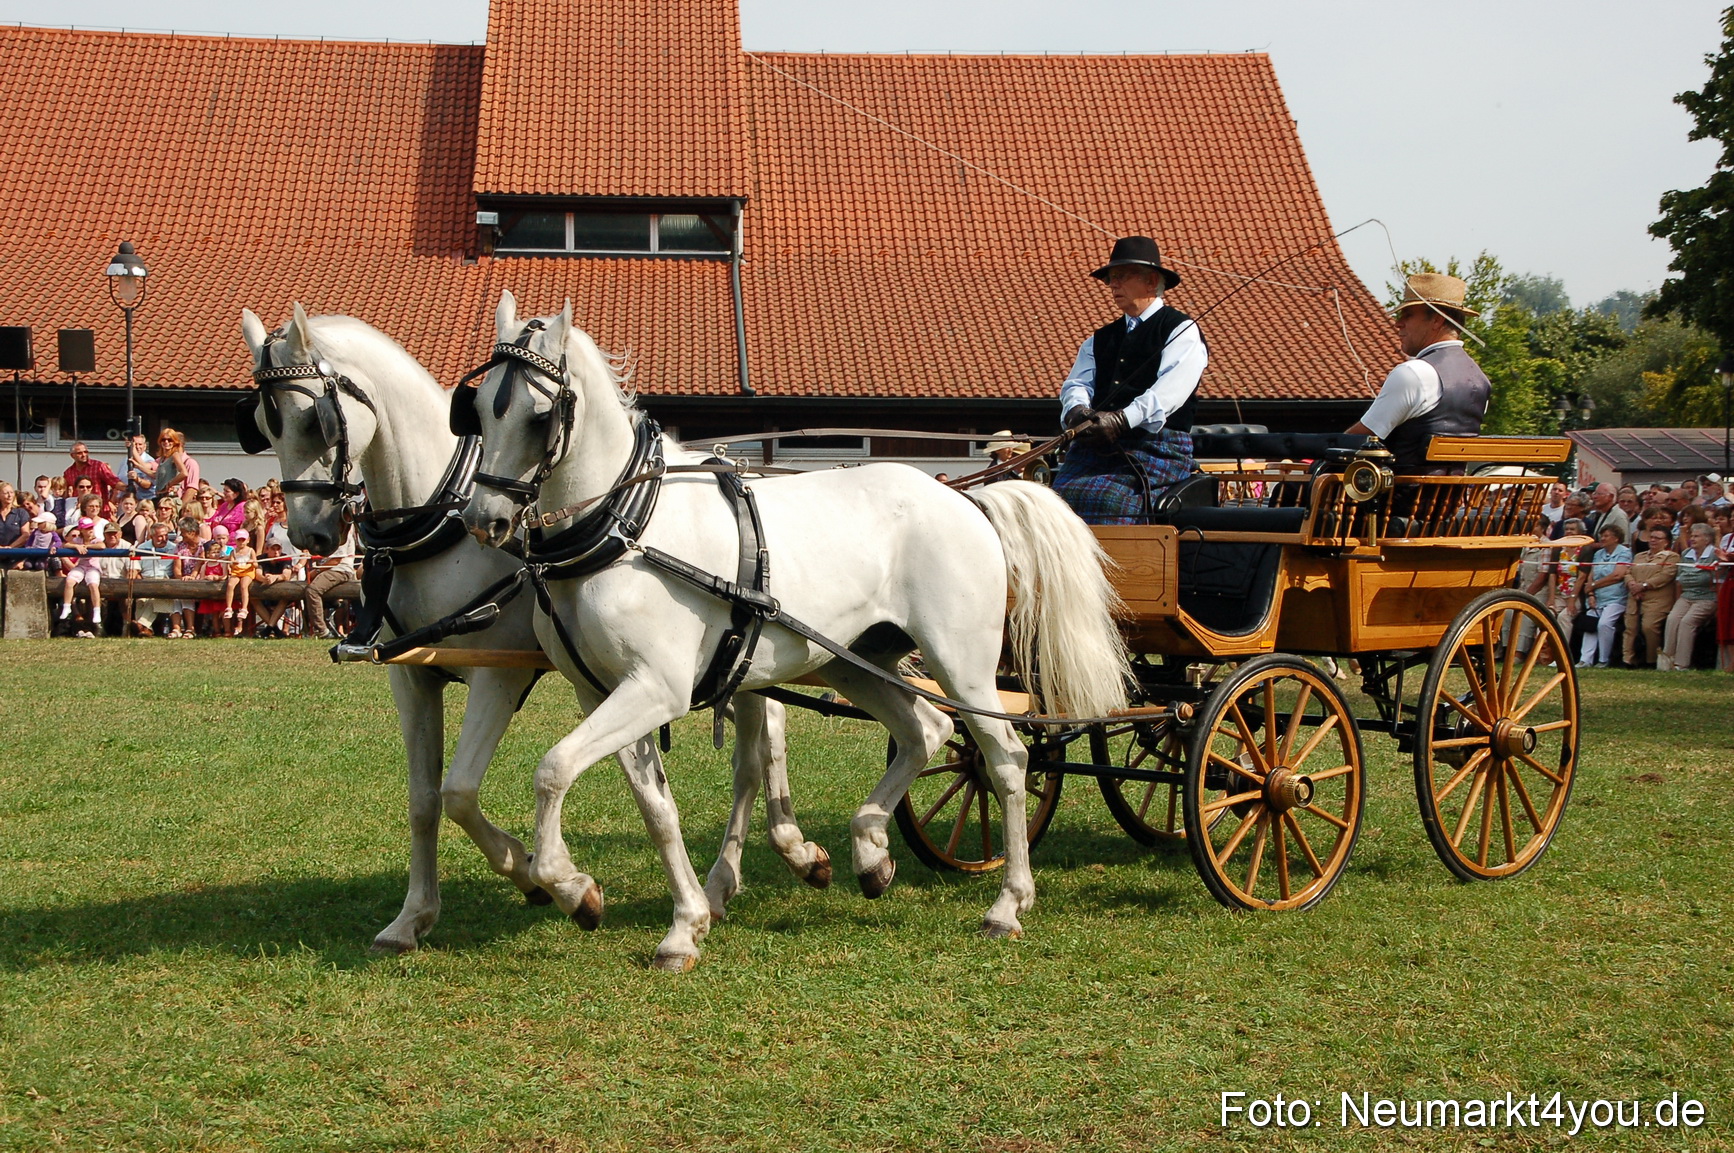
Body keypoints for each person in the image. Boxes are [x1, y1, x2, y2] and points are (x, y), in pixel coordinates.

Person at [1053, 235, 1207, 524]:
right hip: (1098, 447)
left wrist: (1122, 420)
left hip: (1156, 446)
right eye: (1111, 279)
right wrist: (1077, 410)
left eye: (1121, 277)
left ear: (1151, 281)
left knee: (1110, 500)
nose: (1113, 285)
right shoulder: (1099, 338)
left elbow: (1168, 393)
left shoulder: (1181, 331)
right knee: (1054, 500)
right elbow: (1077, 384)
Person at [1347, 273, 1490, 475]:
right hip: (1453, 494)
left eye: (1408, 315)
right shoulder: (1481, 381)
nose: (1398, 323)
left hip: (1400, 493)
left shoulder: (1413, 373)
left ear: (1437, 320)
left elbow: (1356, 441)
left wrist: (1308, 449)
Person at [1659, 522, 1718, 671]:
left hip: (1707, 597)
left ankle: (1681, 664)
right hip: (1686, 596)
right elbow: (1680, 579)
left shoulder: (1714, 554)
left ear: (1707, 539)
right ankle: (1667, 661)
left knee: (1687, 622)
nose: (1692, 539)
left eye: (1696, 536)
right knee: (1672, 619)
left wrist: (1696, 577)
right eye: (1691, 535)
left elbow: (1713, 579)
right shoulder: (1686, 554)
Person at [1622, 526, 1679, 669]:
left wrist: (1644, 586)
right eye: (1651, 537)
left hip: (1657, 600)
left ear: (1666, 542)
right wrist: (1632, 584)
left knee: (1649, 627)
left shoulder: (1671, 557)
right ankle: (1627, 660)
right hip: (1635, 597)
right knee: (1630, 628)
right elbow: (1628, 572)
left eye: (1657, 538)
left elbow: (1665, 575)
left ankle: (1651, 660)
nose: (1653, 540)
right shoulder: (1639, 556)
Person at [1577, 525, 1631, 668]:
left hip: (1616, 598)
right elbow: (1591, 575)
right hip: (1597, 597)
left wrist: (1594, 585)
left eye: (1606, 536)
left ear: (1616, 538)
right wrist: (1591, 594)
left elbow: (1618, 575)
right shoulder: (1598, 554)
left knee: (1604, 624)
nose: (1602, 538)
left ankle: (1603, 659)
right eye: (1602, 535)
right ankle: (1585, 659)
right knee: (1590, 623)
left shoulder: (1624, 553)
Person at [305, 525, 357, 639]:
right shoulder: (330, 533)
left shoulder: (342, 534)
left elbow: (336, 560)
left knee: (313, 590)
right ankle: (309, 628)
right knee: (304, 588)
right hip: (329, 570)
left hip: (340, 570)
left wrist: (316, 571)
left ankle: (322, 631)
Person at [57, 518, 104, 635]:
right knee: (70, 581)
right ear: (81, 530)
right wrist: (76, 546)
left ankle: (97, 610)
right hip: (81, 566)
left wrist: (86, 546)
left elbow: (102, 546)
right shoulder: (78, 540)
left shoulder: (96, 539)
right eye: (87, 528)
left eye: (91, 528)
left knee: (93, 585)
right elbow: (65, 544)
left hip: (93, 567)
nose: (90, 530)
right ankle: (67, 607)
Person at [131, 519, 178, 636]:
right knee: (141, 600)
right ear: (152, 536)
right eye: (160, 536)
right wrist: (139, 581)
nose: (164, 539)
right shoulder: (142, 548)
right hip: (145, 580)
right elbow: (136, 569)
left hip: (165, 580)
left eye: (166, 535)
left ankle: (141, 624)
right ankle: (146, 629)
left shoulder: (174, 548)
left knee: (154, 598)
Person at [253, 541, 296, 638]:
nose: (276, 552)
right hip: (264, 591)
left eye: (278, 549)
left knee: (285, 599)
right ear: (267, 549)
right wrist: (265, 579)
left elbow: (286, 575)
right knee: (254, 599)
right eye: (273, 549)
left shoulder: (286, 558)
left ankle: (268, 629)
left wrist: (275, 577)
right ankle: (276, 630)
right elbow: (257, 574)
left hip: (281, 592)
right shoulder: (260, 558)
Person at [223, 529, 258, 635]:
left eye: (243, 540)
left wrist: (252, 562)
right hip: (237, 571)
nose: (241, 542)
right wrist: (232, 562)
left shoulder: (251, 550)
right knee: (230, 585)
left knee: (243, 586)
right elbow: (231, 563)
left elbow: (256, 564)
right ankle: (229, 608)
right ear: (235, 540)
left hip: (248, 571)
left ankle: (244, 608)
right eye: (239, 540)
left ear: (248, 540)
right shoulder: (233, 551)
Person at [125, 433, 158, 501]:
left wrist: (137, 479)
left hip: (144, 501)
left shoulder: (149, 461)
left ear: (145, 446)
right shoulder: (125, 460)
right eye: (135, 444)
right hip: (128, 501)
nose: (137, 447)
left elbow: (148, 485)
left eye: (140, 444)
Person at [0, 482, 28, 546]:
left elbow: (26, 534)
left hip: (16, 551)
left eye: (11, 492)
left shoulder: (21, 512)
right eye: (6, 493)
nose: (9, 495)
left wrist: (10, 547)